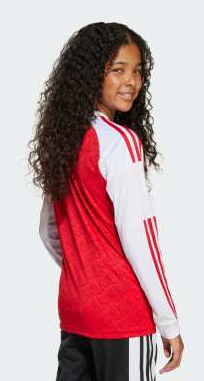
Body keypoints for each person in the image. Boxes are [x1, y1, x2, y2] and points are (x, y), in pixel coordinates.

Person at [29, 22, 184, 380]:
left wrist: (85, 270)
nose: (131, 81)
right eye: (118, 70)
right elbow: (141, 238)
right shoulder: (120, 142)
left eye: (138, 72)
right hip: (121, 315)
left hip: (75, 309)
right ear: (91, 74)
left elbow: (49, 230)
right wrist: (169, 322)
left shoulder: (64, 140)